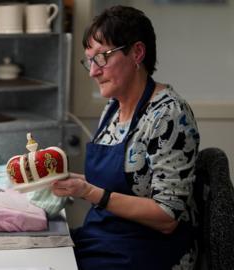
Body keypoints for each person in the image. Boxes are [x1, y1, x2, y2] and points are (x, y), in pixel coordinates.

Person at [51, 5, 200, 270]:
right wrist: (70, 181)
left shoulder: (168, 115)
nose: (92, 71)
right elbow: (122, 186)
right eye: (89, 60)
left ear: (137, 53)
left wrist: (89, 192)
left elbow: (167, 217)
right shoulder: (113, 108)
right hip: (105, 241)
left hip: (147, 253)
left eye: (101, 58)